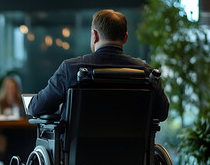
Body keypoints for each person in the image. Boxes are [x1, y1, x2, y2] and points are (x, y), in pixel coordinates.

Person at [28, 9, 169, 123]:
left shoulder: (70, 69)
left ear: (94, 35)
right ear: (125, 38)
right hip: (132, 154)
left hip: (79, 154)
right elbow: (162, 114)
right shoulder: (147, 73)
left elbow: (36, 108)